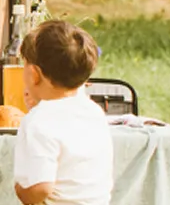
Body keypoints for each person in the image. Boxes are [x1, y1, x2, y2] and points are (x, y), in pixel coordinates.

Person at [13, 21, 114, 205]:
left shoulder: (38, 121)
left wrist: (23, 191)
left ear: (35, 74)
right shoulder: (93, 111)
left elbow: (40, 187)